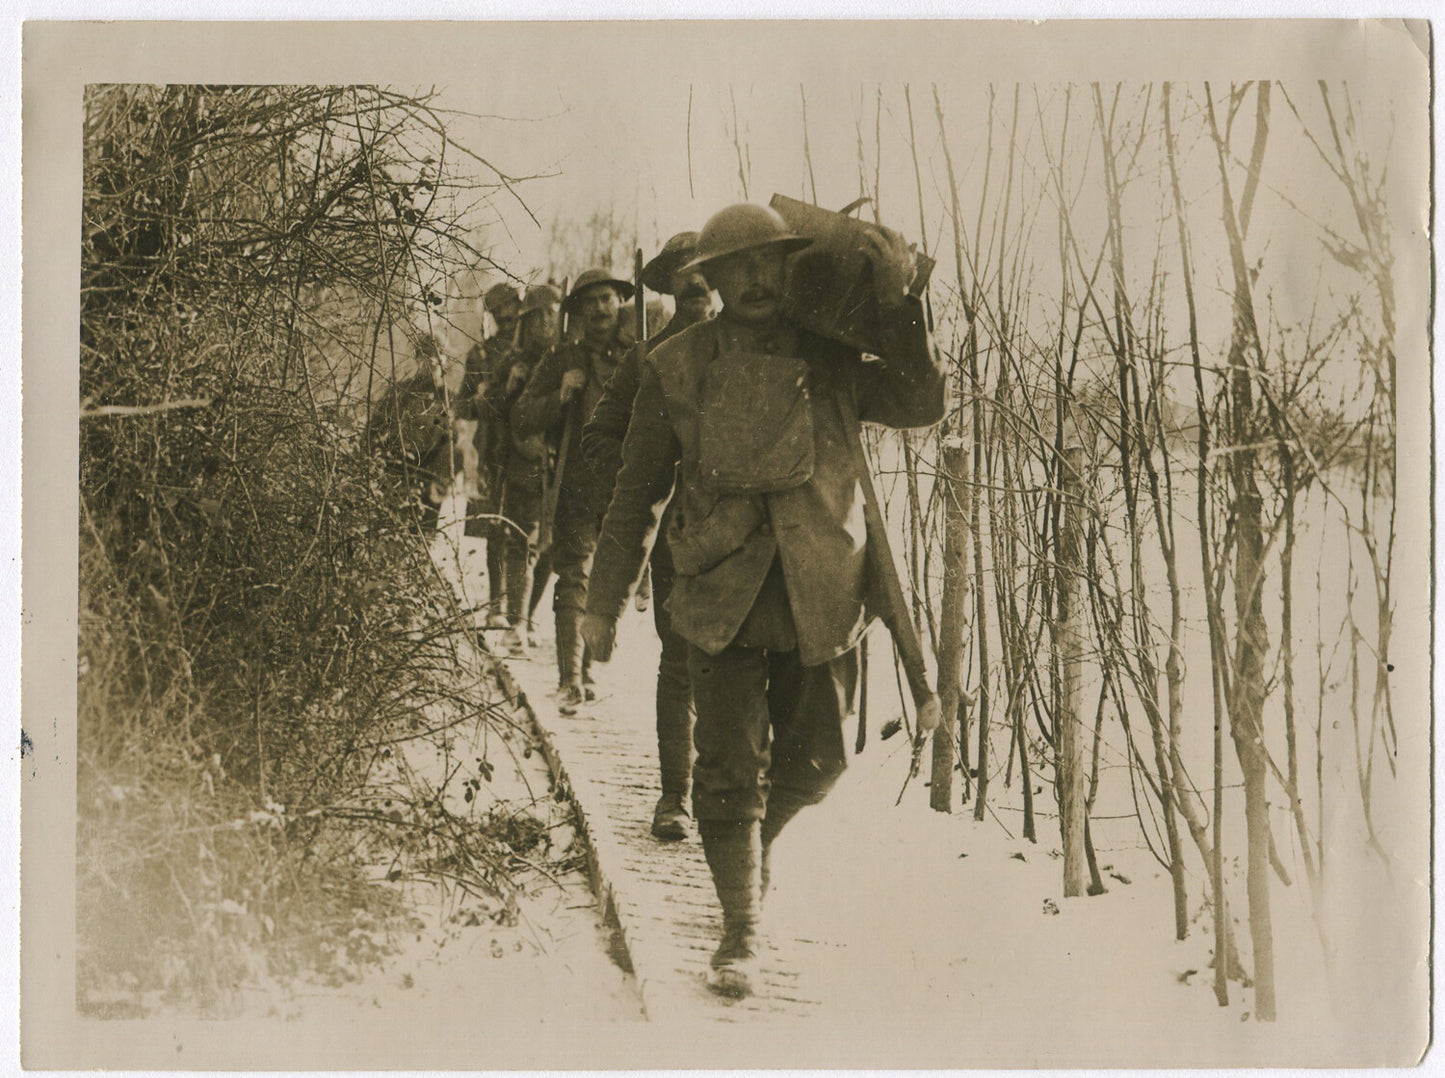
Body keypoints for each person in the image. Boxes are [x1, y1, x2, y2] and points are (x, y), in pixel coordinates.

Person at [581, 203, 945, 998]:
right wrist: (601, 603)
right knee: (725, 769)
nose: (752, 279)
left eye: (766, 262)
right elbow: (635, 492)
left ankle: (753, 842)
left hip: (823, 589)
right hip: (720, 596)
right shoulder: (673, 367)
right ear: (705, 278)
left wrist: (896, 302)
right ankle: (739, 928)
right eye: (733, 266)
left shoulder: (834, 357)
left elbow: (921, 404)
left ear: (789, 268)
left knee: (819, 763)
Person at [581, 231, 713, 841]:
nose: (697, 284)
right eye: (683, 273)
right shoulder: (646, 361)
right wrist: (650, 464)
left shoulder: (745, 355)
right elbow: (600, 438)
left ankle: (728, 792)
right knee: (681, 658)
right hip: (675, 532)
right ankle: (675, 796)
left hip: (745, 533)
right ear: (666, 285)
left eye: (706, 270)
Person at [513, 269, 636, 711]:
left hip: (627, 487)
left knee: (608, 580)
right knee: (573, 577)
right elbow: (522, 417)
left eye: (608, 299)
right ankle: (570, 678)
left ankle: (585, 670)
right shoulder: (563, 359)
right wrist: (561, 397)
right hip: (578, 483)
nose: (602, 308)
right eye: (592, 302)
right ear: (579, 312)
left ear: (620, 304)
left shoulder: (638, 357)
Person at [486, 283, 563, 654]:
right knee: (521, 541)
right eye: (540, 315)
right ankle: (516, 621)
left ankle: (526, 617)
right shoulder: (513, 359)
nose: (547, 322)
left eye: (554, 313)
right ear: (527, 322)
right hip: (522, 462)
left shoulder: (570, 357)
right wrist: (509, 386)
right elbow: (488, 409)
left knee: (550, 547)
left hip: (562, 463)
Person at [462, 282, 524, 626]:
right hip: (494, 449)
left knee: (530, 529)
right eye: (501, 314)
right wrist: (481, 398)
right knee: (495, 529)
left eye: (513, 311)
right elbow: (462, 406)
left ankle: (519, 610)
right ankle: (498, 605)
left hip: (530, 446)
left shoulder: (534, 350)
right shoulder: (480, 356)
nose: (508, 319)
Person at [370, 333, 459, 536]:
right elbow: (374, 429)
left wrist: (441, 482)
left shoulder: (451, 400)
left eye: (437, 355)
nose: (432, 361)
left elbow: (454, 445)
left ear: (444, 360)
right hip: (395, 474)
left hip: (430, 482)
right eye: (426, 355)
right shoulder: (400, 392)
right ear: (418, 358)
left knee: (422, 542)